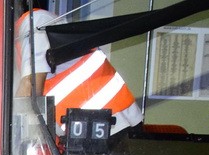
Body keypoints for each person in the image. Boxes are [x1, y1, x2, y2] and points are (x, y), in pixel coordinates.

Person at [15, 3, 143, 138]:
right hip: (86, 127)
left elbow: (30, 87)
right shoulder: (16, 41)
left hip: (108, 123)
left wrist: (9, 131)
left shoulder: (35, 21)